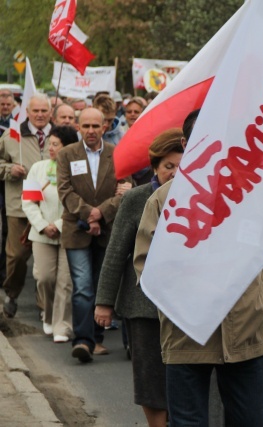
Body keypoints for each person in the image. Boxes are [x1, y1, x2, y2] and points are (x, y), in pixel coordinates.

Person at [133, 110, 263, 426]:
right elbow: (146, 267)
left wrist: (260, 300)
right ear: (186, 143)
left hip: (247, 333)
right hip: (185, 336)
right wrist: (187, 306)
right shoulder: (162, 201)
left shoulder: (257, 194)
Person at [95, 128, 183, 426]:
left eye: (183, 165)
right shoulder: (136, 198)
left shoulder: (200, 200)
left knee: (183, 380)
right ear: (155, 167)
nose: (175, 173)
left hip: (184, 308)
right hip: (142, 306)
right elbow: (116, 253)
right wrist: (104, 303)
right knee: (150, 380)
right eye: (169, 166)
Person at [57, 107, 132, 363]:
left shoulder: (117, 154)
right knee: (83, 288)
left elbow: (126, 191)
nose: (90, 131)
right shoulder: (67, 154)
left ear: (104, 127)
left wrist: (102, 213)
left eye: (95, 126)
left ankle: (96, 338)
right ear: (78, 127)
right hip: (76, 230)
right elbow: (65, 192)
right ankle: (82, 341)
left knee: (101, 287)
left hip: (108, 230)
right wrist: (90, 214)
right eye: (86, 126)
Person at [22, 125, 77, 342]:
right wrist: (43, 225)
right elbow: (28, 201)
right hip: (42, 233)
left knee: (65, 280)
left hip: (69, 232)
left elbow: (79, 201)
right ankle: (48, 312)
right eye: (50, 144)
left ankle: (62, 326)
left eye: (56, 144)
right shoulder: (38, 168)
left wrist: (60, 225)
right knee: (45, 277)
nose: (50, 148)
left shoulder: (77, 169)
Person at [0, 93, 52, 318]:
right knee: (18, 255)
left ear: (50, 113)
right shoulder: (12, 136)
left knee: (45, 259)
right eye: (35, 111)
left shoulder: (60, 136)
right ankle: (11, 294)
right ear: (27, 112)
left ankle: (44, 305)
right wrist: (10, 169)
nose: (40, 115)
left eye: (44, 111)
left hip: (50, 207)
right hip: (19, 206)